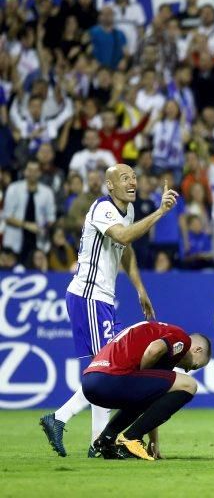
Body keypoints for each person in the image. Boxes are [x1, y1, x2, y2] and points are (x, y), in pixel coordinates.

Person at [39, 164, 179, 458]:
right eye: (125, 178)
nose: (132, 182)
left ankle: (85, 435)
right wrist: (160, 212)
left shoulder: (124, 212)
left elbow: (125, 251)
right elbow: (124, 237)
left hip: (100, 299)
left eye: (134, 176)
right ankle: (83, 433)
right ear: (110, 186)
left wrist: (140, 288)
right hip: (89, 297)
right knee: (109, 373)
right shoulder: (103, 209)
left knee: (105, 372)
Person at [82, 320, 212, 460]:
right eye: (194, 366)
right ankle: (131, 438)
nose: (187, 369)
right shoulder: (182, 338)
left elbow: (152, 396)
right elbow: (154, 349)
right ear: (197, 350)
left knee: (148, 394)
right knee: (190, 384)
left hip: (90, 381)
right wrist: (144, 379)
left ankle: (105, 441)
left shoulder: (160, 334)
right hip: (112, 378)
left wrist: (154, 441)